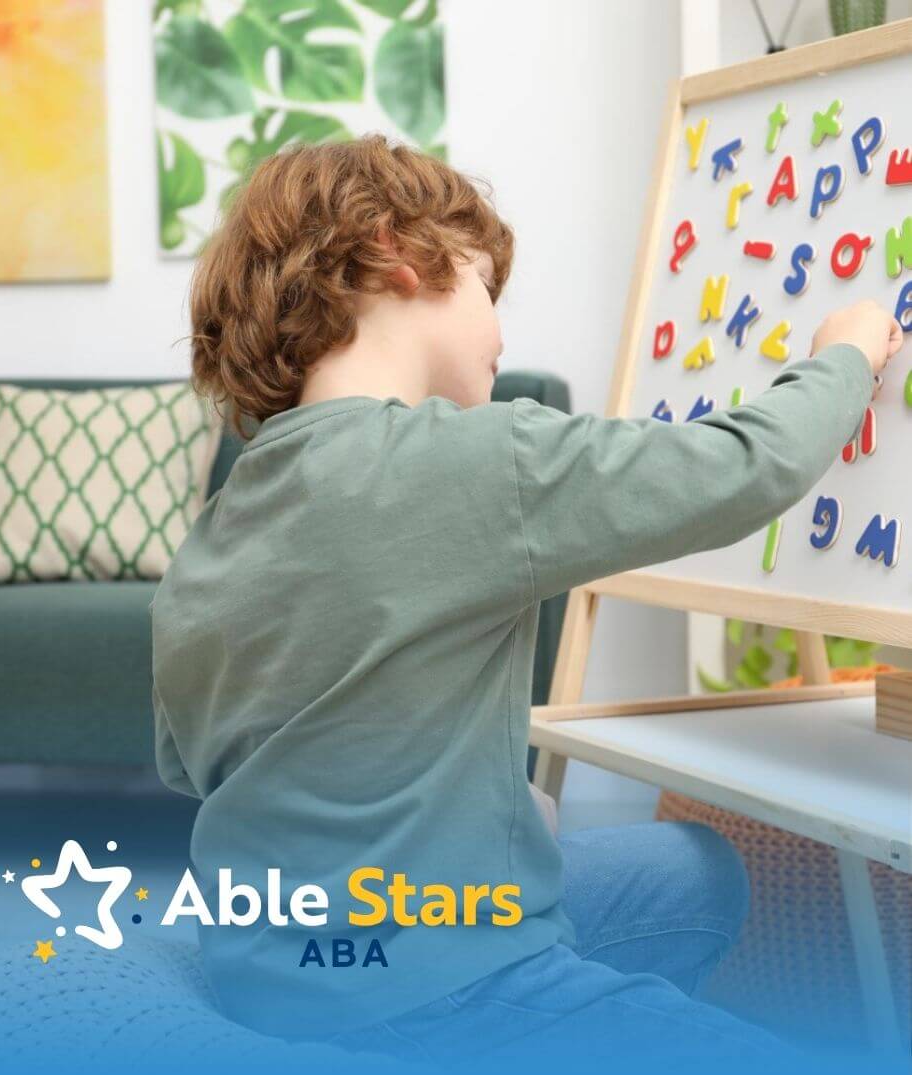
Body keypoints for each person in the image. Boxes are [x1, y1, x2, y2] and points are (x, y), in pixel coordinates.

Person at [150, 135, 899, 1069]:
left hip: (272, 961)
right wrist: (847, 353)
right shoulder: (479, 459)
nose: (500, 330)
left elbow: (195, 762)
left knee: (694, 870)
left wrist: (479, 808)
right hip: (441, 978)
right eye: (485, 290)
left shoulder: (214, 530)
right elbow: (750, 466)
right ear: (395, 250)